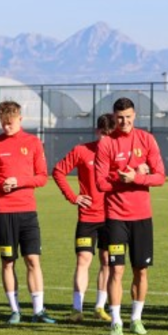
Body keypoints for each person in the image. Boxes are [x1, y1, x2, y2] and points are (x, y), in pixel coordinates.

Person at [94, 97, 166, 335]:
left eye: (127, 117)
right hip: (116, 217)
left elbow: (160, 177)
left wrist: (137, 178)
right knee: (116, 270)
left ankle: (136, 318)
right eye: (119, 118)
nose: (124, 121)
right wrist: (124, 176)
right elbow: (100, 183)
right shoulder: (106, 143)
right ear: (113, 117)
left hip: (142, 217)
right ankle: (116, 320)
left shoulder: (146, 139)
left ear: (135, 115)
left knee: (141, 271)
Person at [0, 100, 54, 324]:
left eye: (10, 123)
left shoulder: (33, 143)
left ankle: (38, 310)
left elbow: (42, 177)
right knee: (8, 262)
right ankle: (15, 310)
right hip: (3, 213)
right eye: (3, 123)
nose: (6, 127)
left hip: (27, 211)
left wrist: (20, 181)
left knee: (32, 259)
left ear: (20, 119)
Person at [52, 113, 114, 322]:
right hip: (88, 216)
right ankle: (77, 309)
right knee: (83, 259)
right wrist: (73, 197)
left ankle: (100, 307)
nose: (106, 138)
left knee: (107, 260)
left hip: (111, 216)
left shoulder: (118, 154)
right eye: (103, 133)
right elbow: (58, 171)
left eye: (110, 134)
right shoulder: (82, 150)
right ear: (97, 131)